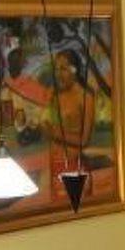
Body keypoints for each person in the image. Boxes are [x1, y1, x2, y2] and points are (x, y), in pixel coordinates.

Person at [44, 47, 97, 196]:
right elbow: (49, 125)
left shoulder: (85, 97)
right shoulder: (56, 96)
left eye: (63, 69)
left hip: (75, 166)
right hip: (55, 165)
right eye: (56, 69)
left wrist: (56, 133)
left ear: (75, 70)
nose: (58, 74)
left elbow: (84, 140)